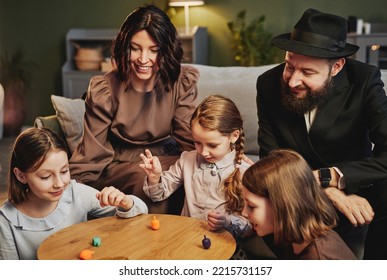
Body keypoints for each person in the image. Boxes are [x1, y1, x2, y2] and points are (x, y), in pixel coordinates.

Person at [256, 8, 387, 259]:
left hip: (355, 184)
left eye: (307, 73)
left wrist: (337, 177)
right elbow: (271, 159)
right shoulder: (267, 83)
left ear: (336, 67)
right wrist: (325, 189)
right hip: (296, 189)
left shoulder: (364, 80)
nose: (293, 81)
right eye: (289, 66)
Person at [69, 5, 199, 214]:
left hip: (167, 157)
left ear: (166, 50)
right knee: (149, 181)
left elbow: (190, 141)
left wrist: (227, 161)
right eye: (135, 48)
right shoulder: (105, 89)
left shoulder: (180, 82)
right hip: (121, 164)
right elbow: (92, 152)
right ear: (124, 46)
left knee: (187, 173)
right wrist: (72, 192)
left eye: (154, 50)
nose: (143, 59)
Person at [0, 127, 148, 260]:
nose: (59, 183)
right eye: (45, 176)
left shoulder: (76, 193)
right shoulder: (6, 220)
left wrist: (126, 203)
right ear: (21, 176)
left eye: (64, 171)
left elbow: (141, 213)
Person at [140, 95, 252, 239]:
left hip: (223, 246)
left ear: (234, 136)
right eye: (197, 143)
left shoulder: (245, 172)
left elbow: (249, 226)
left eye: (212, 145)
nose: (203, 152)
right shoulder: (188, 159)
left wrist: (227, 222)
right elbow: (157, 195)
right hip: (187, 239)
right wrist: (154, 177)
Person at [242, 149, 357, 259]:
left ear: (283, 204)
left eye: (252, 206)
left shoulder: (318, 257)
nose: (244, 213)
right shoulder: (291, 236)